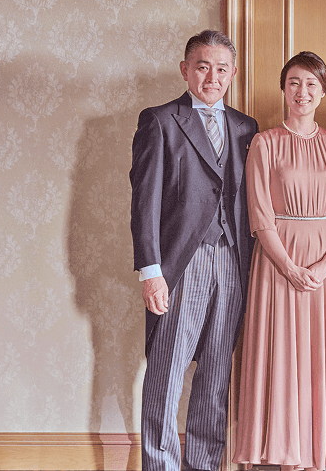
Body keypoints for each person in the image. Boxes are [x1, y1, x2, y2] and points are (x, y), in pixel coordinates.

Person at [130, 30, 258, 471]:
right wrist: (151, 271)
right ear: (186, 70)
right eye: (203, 67)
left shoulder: (246, 127)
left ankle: (204, 464)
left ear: (233, 73)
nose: (212, 77)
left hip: (234, 261)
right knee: (166, 373)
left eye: (221, 69)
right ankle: (160, 465)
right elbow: (144, 202)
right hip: (181, 263)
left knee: (216, 373)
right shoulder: (160, 120)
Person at [233, 51, 326, 471]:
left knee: (324, 357)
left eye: (311, 84)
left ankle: (320, 455)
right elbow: (259, 216)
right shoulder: (264, 142)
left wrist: (325, 265)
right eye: (294, 82)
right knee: (283, 354)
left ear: (323, 92)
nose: (302, 91)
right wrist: (289, 267)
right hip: (278, 263)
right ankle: (286, 454)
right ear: (283, 89)